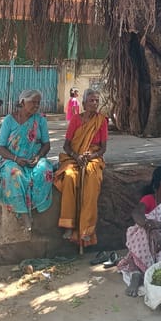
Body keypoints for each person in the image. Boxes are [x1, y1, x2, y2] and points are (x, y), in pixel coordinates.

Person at [117, 166, 161, 297]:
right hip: (148, 240)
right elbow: (137, 214)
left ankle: (141, 272)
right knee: (141, 231)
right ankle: (138, 273)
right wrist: (152, 228)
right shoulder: (149, 199)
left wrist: (157, 225)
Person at [0, 89, 53, 231]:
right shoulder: (9, 120)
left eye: (38, 102)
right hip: (12, 160)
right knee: (14, 173)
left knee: (45, 170)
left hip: (34, 159)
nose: (36, 105)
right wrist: (16, 158)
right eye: (33, 102)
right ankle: (23, 214)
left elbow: (46, 144)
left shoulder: (40, 120)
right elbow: (0, 148)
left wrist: (38, 157)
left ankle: (37, 207)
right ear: (22, 102)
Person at [54, 89, 107, 250]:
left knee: (91, 179)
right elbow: (66, 146)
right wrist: (77, 156)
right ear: (84, 104)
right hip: (74, 156)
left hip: (93, 157)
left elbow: (103, 148)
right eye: (91, 100)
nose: (95, 104)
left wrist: (91, 156)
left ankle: (87, 229)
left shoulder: (102, 121)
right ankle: (69, 225)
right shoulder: (76, 120)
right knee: (69, 176)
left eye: (97, 101)